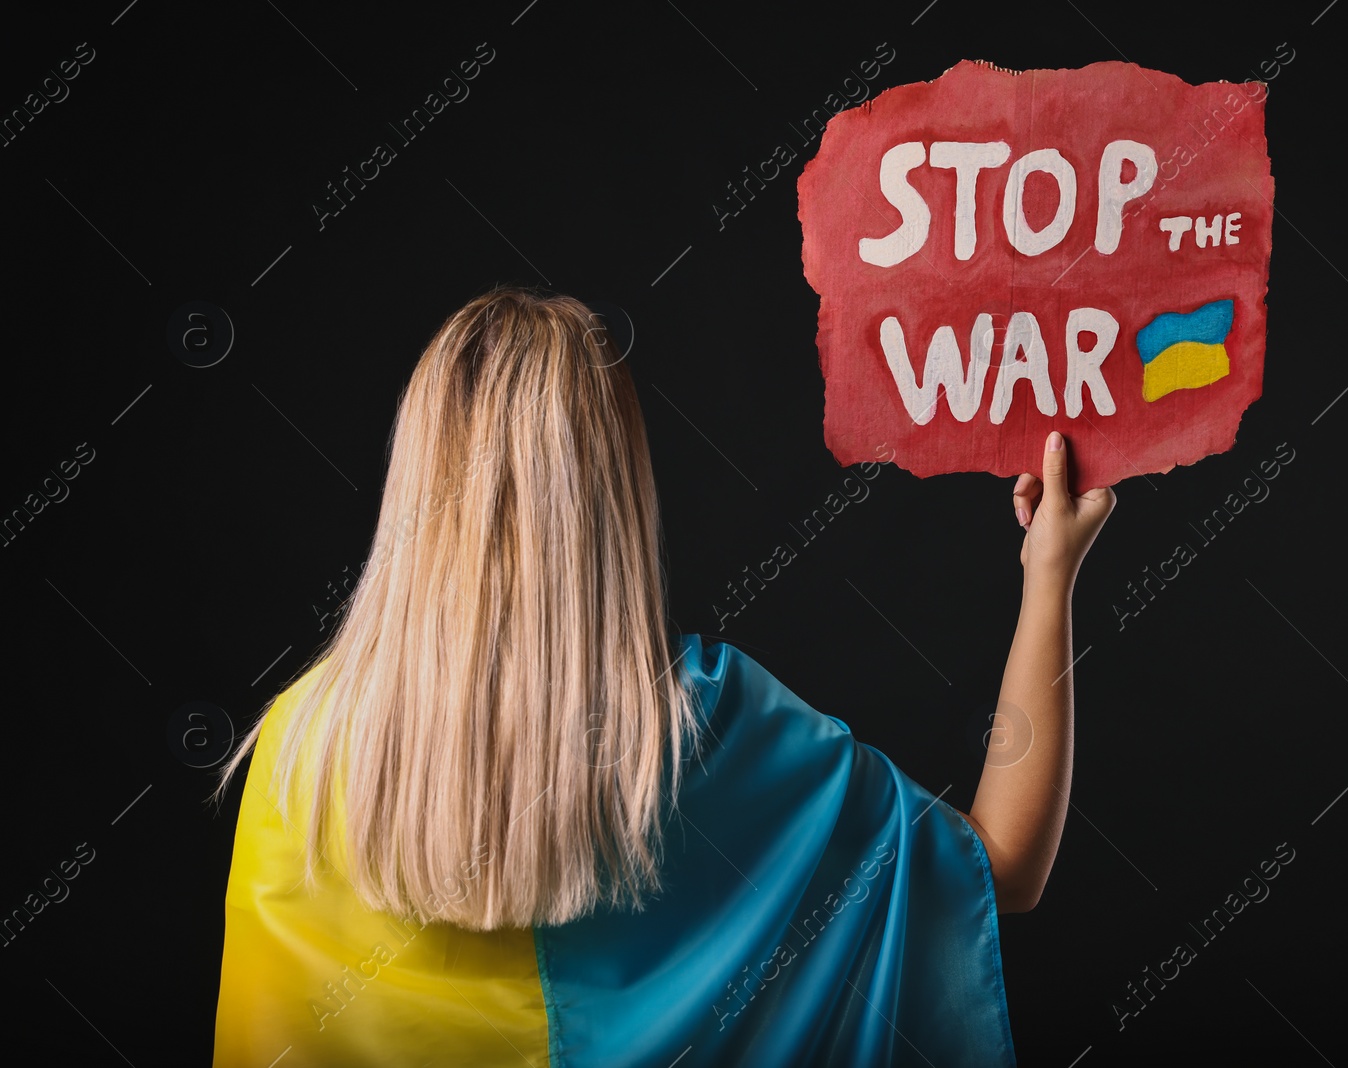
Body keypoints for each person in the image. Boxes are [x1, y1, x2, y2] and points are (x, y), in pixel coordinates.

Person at [210, 287, 1114, 1066]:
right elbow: (999, 871)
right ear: (614, 488)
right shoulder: (702, 719)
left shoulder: (300, 745)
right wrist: (1049, 576)